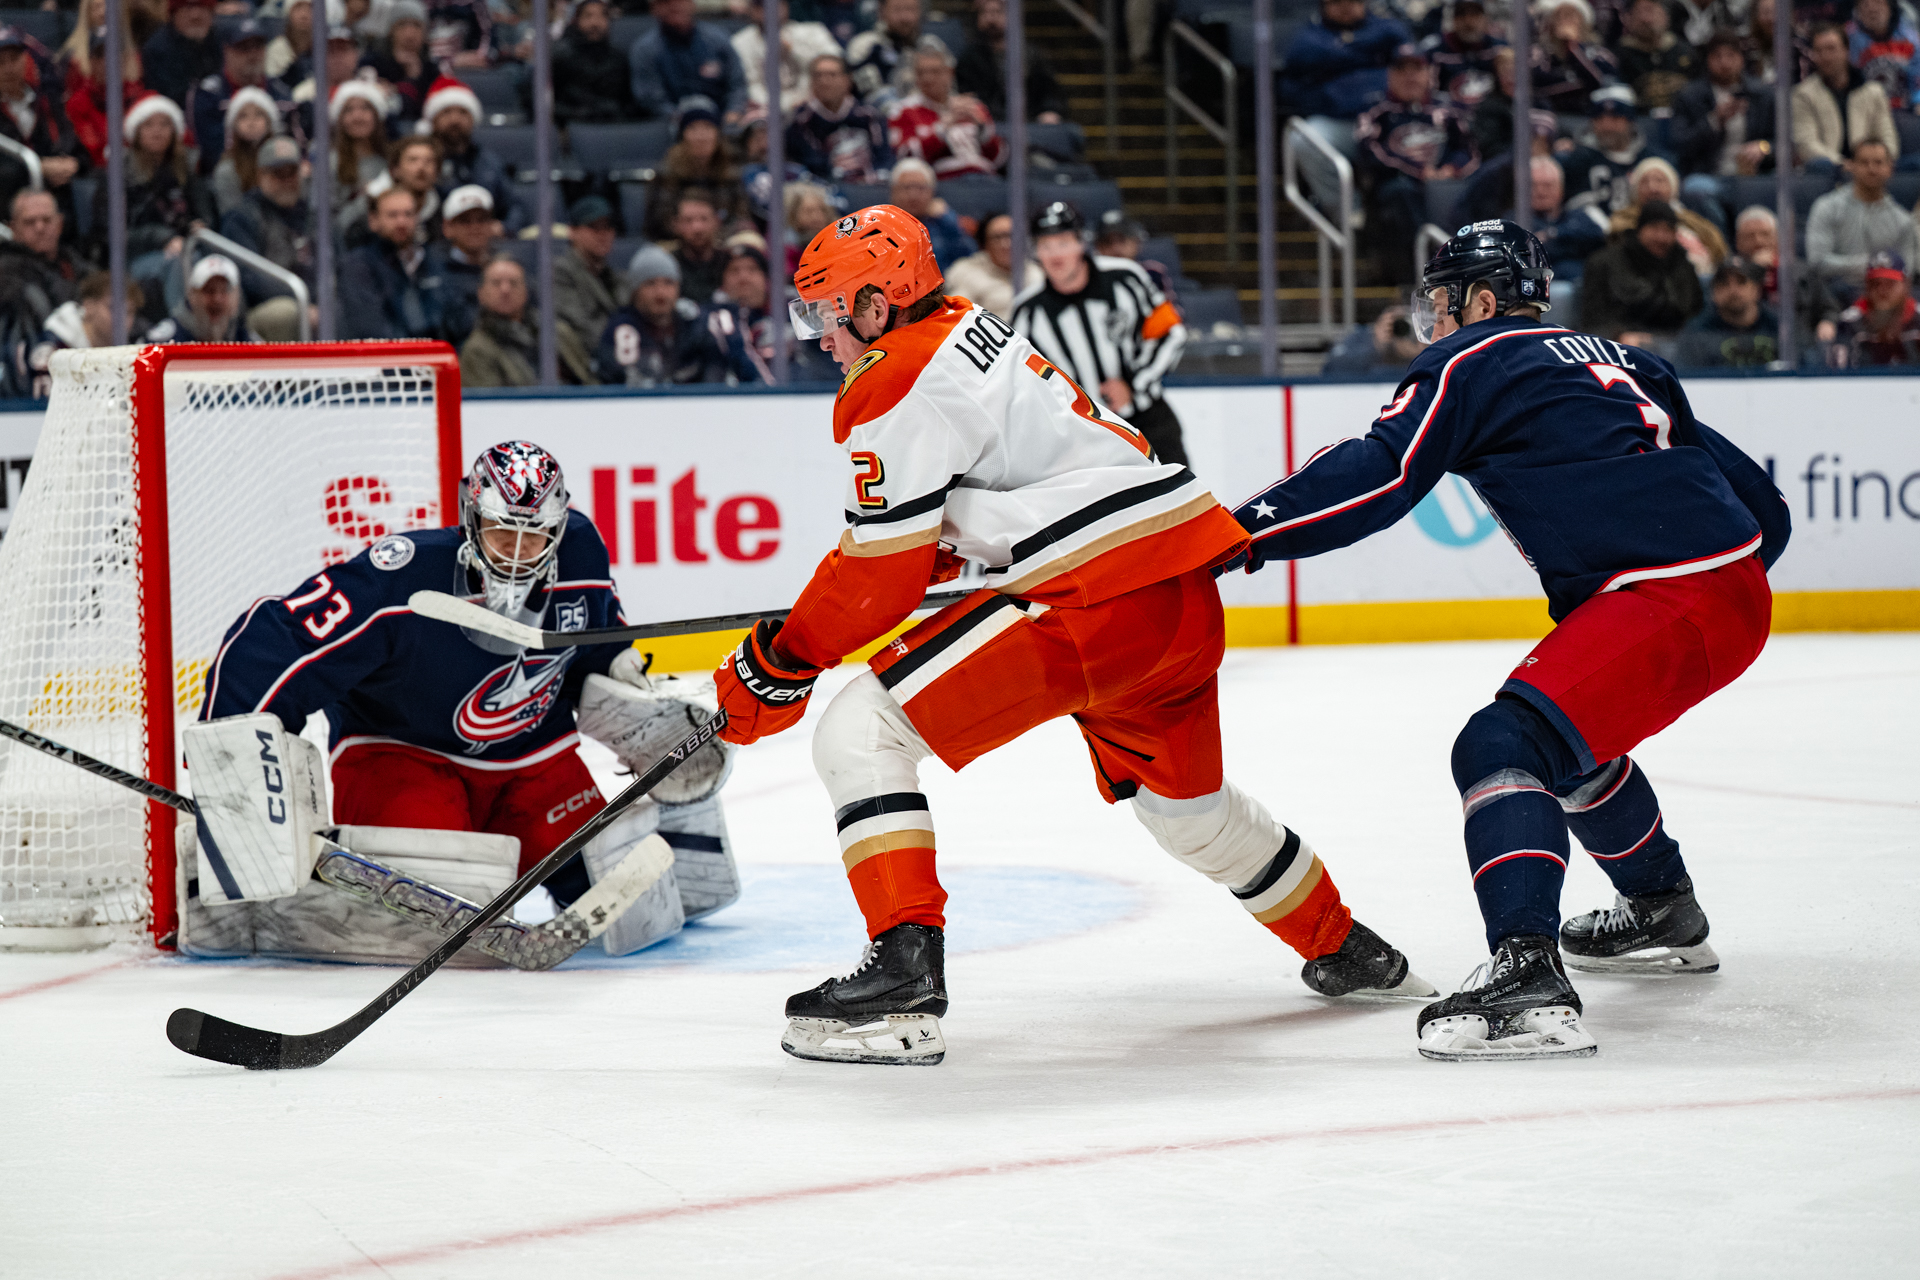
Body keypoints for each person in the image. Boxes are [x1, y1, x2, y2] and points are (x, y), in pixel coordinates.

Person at [726, 204, 1431, 1067]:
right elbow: (997, 488)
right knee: (1191, 814)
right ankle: (1349, 948)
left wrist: (777, 662)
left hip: (1093, 599)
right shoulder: (968, 327)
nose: (823, 339)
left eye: (830, 315)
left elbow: (877, 575)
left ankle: (902, 980)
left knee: (858, 731)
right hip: (1177, 593)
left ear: (877, 304)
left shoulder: (891, 375)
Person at [1224, 221, 1789, 1061]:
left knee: (1501, 745)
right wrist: (1708, 589)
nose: (1437, 320)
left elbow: (1381, 471)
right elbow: (1767, 512)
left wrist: (1241, 533)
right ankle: (1661, 906)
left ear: (1484, 301)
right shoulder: (1629, 359)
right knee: (1570, 742)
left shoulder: (1470, 361)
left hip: (1669, 596)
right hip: (1729, 590)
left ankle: (1527, 972)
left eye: (1446, 301)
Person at [195, 442, 715, 943]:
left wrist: (631, 690)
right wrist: (231, 763)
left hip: (534, 761)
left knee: (629, 901)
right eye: (501, 532)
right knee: (428, 922)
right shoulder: (403, 577)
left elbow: (598, 650)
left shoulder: (581, 553)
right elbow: (273, 642)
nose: (517, 553)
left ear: (557, 529)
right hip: (403, 759)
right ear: (472, 517)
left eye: (534, 536)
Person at [1012, 201, 1189, 467]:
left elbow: (1171, 333)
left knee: (1179, 494)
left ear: (1081, 243)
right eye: (1045, 245)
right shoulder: (1027, 312)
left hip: (1149, 422)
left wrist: (1133, 385)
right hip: (1084, 438)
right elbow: (1024, 384)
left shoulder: (1126, 278)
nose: (1055, 254)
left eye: (1063, 243)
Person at [1355, 43, 1480, 286]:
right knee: (1400, 192)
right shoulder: (1375, 110)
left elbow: (1470, 150)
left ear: (1429, 73)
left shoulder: (1447, 110)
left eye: (1417, 69)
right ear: (1389, 75)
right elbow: (1369, 151)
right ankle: (1431, 268)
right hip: (1397, 188)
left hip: (1446, 184)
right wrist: (1418, 171)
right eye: (1401, 69)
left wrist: (1451, 169)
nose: (1410, 76)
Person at [103, 93, 216, 323]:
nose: (157, 131)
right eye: (149, 125)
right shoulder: (119, 174)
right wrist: (163, 238)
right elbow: (112, 233)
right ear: (136, 131)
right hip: (136, 256)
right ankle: (184, 330)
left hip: (188, 248)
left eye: (165, 124)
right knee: (181, 263)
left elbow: (204, 213)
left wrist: (199, 226)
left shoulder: (186, 170)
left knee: (215, 264)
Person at [1671, 28, 1777, 225]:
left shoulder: (1762, 95)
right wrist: (1714, 121)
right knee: (1695, 188)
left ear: (1741, 59)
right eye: (1717, 56)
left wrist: (1763, 147)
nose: (1724, 63)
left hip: (1754, 175)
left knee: (1780, 186)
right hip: (1711, 175)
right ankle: (1720, 241)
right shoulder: (1690, 97)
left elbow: (1783, 143)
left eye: (1731, 56)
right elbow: (1681, 144)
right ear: (1708, 61)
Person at [595, 244, 731, 385]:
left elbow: (717, 370)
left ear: (678, 288)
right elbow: (619, 378)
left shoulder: (695, 324)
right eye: (650, 284)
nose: (660, 293)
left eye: (668, 283)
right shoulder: (622, 329)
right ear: (635, 291)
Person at [218, 134, 312, 337]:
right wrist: (303, 298)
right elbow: (251, 280)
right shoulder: (242, 217)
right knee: (285, 313)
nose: (286, 181)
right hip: (260, 311)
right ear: (261, 175)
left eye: (291, 172)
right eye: (278, 173)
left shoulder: (314, 216)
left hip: (312, 302)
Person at [1580, 200, 1705, 342]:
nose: (1661, 237)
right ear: (1640, 229)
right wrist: (1618, 335)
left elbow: (1695, 315)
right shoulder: (1604, 263)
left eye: (1668, 230)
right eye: (1654, 228)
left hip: (1676, 345)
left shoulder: (1683, 266)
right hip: (1619, 345)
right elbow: (1593, 320)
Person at [459, 257, 596, 387]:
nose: (505, 290)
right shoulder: (477, 350)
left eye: (513, 283)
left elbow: (590, 383)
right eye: (496, 283)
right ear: (481, 293)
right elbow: (491, 402)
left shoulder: (558, 333)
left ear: (525, 291)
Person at [1806, 139, 1920, 294]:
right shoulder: (1826, 207)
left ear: (1890, 168)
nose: (1871, 169)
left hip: (1884, 297)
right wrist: (1867, 266)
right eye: (1864, 163)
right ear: (1852, 166)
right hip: (1834, 296)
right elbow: (1817, 262)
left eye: (1878, 163)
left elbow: (1907, 272)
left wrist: (1877, 272)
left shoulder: (1903, 220)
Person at [0, 26, 87, 222]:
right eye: (1, 62)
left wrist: (73, 164)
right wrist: (39, 167)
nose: (8, 68)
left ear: (25, 60)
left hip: (55, 204)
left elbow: (77, 150)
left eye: (13, 59)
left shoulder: (48, 102)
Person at [187, 18, 294, 178]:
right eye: (243, 48)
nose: (252, 55)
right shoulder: (208, 94)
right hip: (223, 176)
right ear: (226, 51)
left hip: (278, 174)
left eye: (258, 46)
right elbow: (210, 152)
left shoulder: (282, 93)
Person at [339, 185, 446, 339]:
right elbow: (370, 326)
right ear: (373, 220)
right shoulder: (358, 265)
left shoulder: (434, 260)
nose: (401, 222)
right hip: (389, 351)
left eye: (408, 214)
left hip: (437, 350)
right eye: (392, 215)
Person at [888, 38, 1005, 179]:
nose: (927, 78)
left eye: (935, 72)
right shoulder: (903, 111)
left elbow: (999, 160)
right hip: (942, 181)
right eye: (921, 72)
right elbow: (903, 159)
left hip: (985, 179)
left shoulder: (971, 106)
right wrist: (942, 129)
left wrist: (982, 129)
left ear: (950, 72)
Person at [1792, 24, 1899, 176]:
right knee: (1817, 165)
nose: (1825, 56)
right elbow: (1807, 145)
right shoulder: (1803, 94)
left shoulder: (1873, 92)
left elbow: (1887, 137)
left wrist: (1874, 163)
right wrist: (1844, 165)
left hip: (1872, 168)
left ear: (1846, 51)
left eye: (1831, 49)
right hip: (1831, 170)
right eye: (1819, 51)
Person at [55, 0, 145, 170]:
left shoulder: (143, 99)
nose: (108, 61)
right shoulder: (78, 102)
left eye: (114, 52)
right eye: (100, 55)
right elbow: (93, 149)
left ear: (125, 57)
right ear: (91, 60)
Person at [23, 271, 142, 399]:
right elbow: (42, 404)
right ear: (88, 306)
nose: (121, 318)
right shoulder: (53, 349)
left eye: (129, 311)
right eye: (112, 308)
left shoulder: (134, 351)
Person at [1734, 203, 1840, 344]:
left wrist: (1827, 322)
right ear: (1738, 242)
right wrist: (1755, 268)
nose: (1758, 241)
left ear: (1778, 238)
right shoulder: (1731, 274)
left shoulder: (1802, 270)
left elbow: (1829, 308)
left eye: (1765, 234)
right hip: (1751, 343)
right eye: (1750, 236)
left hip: (1799, 342)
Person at [645, 96, 748, 238]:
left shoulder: (731, 170)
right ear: (682, 136)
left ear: (718, 134)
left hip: (722, 240)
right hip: (676, 241)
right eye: (693, 128)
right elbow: (659, 221)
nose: (701, 136)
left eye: (708, 127)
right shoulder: (666, 171)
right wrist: (693, 232)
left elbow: (741, 217)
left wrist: (714, 236)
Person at [1606, 155, 1728, 275]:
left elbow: (1718, 248)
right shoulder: (1623, 221)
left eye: (1659, 180)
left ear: (1672, 186)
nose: (1653, 188)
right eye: (1644, 182)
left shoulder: (1691, 219)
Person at [425, 77, 518, 232]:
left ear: (473, 119)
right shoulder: (424, 161)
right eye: (446, 112)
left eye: (463, 112)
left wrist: (504, 227)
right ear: (433, 119)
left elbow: (514, 206)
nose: (455, 120)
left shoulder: (489, 162)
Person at [630, 0, 748, 122]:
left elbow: (737, 83)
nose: (674, 6)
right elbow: (650, 98)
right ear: (654, 9)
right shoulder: (645, 49)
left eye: (680, 1)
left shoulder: (717, 39)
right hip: (672, 121)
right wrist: (684, 120)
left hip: (721, 118)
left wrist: (733, 111)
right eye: (666, 3)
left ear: (692, 4)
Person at [786, 52, 892, 186]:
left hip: (871, 186)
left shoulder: (869, 115)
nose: (824, 82)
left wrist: (876, 175)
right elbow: (811, 164)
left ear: (847, 80)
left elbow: (884, 157)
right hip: (826, 187)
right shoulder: (800, 121)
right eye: (818, 76)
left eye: (832, 75)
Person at [954, 0, 1066, 122]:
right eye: (984, 13)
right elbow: (966, 93)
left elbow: (1048, 91)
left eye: (997, 12)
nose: (991, 18)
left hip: (1028, 121)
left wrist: (1050, 110)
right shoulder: (969, 57)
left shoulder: (1031, 54)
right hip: (985, 122)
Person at [1559, 85, 1659, 215]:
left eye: (1615, 118)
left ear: (1630, 121)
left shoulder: (1652, 160)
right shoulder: (1578, 160)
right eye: (1599, 119)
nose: (1607, 126)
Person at [732, 0, 842, 114]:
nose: (771, 10)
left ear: (786, 7)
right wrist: (782, 105)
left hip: (812, 101)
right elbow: (750, 84)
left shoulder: (813, 31)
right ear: (753, 10)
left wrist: (793, 51)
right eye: (762, 7)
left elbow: (837, 64)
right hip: (765, 108)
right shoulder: (740, 41)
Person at [1675, 255, 1781, 366]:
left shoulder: (1779, 327)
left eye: (1741, 282)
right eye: (1724, 284)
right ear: (1713, 293)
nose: (1733, 290)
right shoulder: (1697, 333)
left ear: (1756, 290)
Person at [428, 183, 498, 346]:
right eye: (465, 221)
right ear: (447, 227)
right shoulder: (433, 272)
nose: (475, 228)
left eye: (482, 220)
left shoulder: (507, 269)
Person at [549, 0, 636, 124]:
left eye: (602, 16)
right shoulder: (560, 57)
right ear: (577, 21)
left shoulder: (619, 60)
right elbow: (543, 103)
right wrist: (575, 113)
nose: (595, 23)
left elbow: (629, 104)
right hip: (570, 125)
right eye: (588, 16)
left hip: (613, 126)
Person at [553, 194, 623, 348]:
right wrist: (621, 343)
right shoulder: (561, 272)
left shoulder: (615, 276)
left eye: (607, 227)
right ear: (573, 231)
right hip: (589, 354)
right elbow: (579, 325)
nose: (603, 235)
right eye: (594, 227)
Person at [943, 210, 1040, 320]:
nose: (1006, 244)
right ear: (985, 243)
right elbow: (956, 318)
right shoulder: (966, 272)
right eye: (997, 237)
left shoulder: (1038, 274)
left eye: (1011, 236)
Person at [1829, 249, 1920, 365]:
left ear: (1906, 285)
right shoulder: (1849, 322)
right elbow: (1840, 371)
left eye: (1890, 283)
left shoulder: (1918, 317)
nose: (1882, 290)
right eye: (1875, 284)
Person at [145, 252, 262, 342]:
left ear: (236, 298)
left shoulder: (244, 338)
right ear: (192, 295)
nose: (217, 299)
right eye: (209, 291)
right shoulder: (166, 340)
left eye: (224, 291)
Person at [1531, 0, 1620, 115]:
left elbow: (1602, 84)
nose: (1565, 21)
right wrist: (1580, 84)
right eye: (1559, 16)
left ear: (1584, 22)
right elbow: (1539, 87)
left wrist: (1573, 47)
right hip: (1550, 115)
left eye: (1571, 16)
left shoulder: (1600, 54)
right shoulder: (1539, 53)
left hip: (1590, 115)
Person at [705, 239, 776, 383]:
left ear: (766, 278)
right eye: (734, 271)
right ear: (722, 281)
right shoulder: (709, 322)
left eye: (752, 269)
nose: (743, 278)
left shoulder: (788, 314)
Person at [1610, 0, 1699, 112]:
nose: (1646, 19)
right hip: (1640, 118)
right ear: (1628, 18)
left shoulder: (1685, 51)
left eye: (1650, 11)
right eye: (1639, 12)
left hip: (1683, 117)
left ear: (1666, 16)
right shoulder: (1617, 56)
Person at [887, 157, 975, 270]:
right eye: (906, 188)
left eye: (920, 188)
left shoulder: (943, 223)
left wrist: (947, 219)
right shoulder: (878, 224)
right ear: (893, 192)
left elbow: (969, 259)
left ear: (932, 192)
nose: (913, 195)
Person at [363, 0, 439, 126]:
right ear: (391, 31)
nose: (410, 34)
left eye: (416, 26)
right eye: (402, 25)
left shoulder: (431, 70)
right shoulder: (372, 64)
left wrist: (413, 78)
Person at [209, 85, 280, 215]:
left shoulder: (282, 158)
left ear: (270, 121)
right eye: (243, 116)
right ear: (233, 124)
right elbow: (232, 215)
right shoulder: (227, 169)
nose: (251, 122)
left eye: (259, 114)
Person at [1421, 0, 1505, 108]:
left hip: (1493, 113)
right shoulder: (1435, 51)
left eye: (1475, 15)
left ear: (1485, 18)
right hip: (1449, 113)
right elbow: (1426, 95)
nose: (1468, 21)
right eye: (1461, 15)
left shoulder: (1499, 49)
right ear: (1453, 19)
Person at [142, 0, 222, 107]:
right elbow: (167, 101)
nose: (195, 15)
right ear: (173, 15)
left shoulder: (224, 41)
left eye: (202, 7)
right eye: (187, 8)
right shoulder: (157, 50)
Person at [845, 0, 924, 110]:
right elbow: (870, 96)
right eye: (898, 10)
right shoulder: (865, 45)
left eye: (910, 9)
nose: (905, 17)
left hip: (927, 116)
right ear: (881, 12)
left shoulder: (930, 47)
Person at [1847, 0, 1920, 114]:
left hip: (1905, 110)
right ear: (1857, 12)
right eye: (1865, 5)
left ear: (1890, 8)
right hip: (1866, 111)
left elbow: (1917, 80)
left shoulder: (1911, 39)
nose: (1872, 9)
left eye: (1878, 3)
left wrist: (1917, 101)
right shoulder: (1849, 40)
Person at [663, 190, 728, 303]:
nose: (697, 228)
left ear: (716, 222)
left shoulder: (730, 264)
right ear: (676, 224)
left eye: (704, 219)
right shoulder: (667, 265)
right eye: (688, 220)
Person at [425, 0, 494, 69]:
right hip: (434, 62)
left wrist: (480, 55)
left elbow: (488, 37)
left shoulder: (473, 4)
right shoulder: (426, 7)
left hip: (465, 65)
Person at [265, 0, 313, 83]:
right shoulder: (276, 49)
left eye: (310, 9)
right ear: (289, 14)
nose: (304, 15)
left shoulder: (325, 48)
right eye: (298, 8)